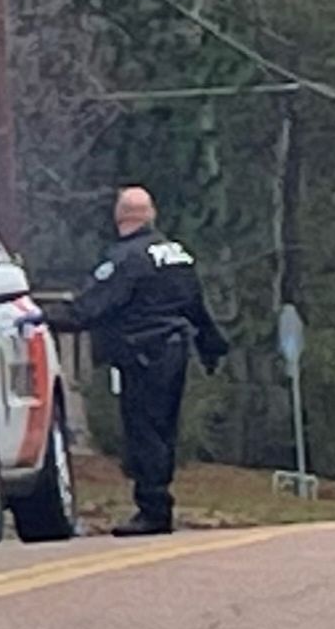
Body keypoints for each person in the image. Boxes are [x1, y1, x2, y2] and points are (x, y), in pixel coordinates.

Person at [44, 185, 230, 535]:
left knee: (144, 430)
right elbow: (196, 306)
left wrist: (41, 317)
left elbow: (90, 307)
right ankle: (158, 503)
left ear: (120, 217)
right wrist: (212, 345)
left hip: (142, 353)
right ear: (151, 215)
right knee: (163, 430)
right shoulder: (177, 254)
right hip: (175, 351)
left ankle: (153, 509)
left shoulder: (126, 258)